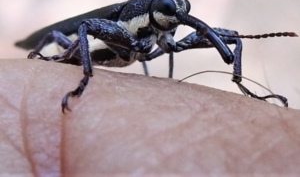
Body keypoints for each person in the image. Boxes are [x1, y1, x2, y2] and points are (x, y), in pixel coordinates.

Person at [0, 59, 299, 175]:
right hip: (72, 44)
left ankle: (240, 85)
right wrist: (84, 79)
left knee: (231, 37)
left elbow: (232, 42)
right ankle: (83, 74)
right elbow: (90, 26)